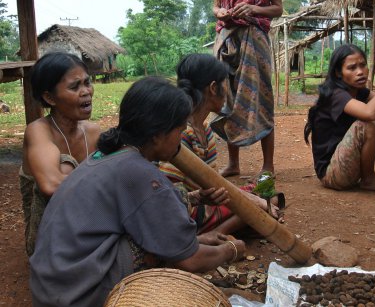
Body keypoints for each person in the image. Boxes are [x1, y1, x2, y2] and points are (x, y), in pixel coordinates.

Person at [29, 77, 246, 307]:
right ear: (156, 134)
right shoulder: (137, 171)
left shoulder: (108, 154)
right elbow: (190, 261)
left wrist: (195, 204)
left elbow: (143, 208)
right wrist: (231, 250)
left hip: (51, 286)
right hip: (78, 294)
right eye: (179, 130)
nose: (180, 140)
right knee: (155, 252)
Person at [160, 53, 281, 235]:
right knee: (264, 202)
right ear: (213, 88)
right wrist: (252, 201)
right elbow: (169, 195)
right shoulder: (181, 133)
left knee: (265, 193)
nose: (228, 92)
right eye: (225, 85)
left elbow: (214, 184)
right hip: (189, 213)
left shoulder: (205, 130)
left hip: (207, 204)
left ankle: (248, 217)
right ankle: (217, 233)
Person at [210, 0, 282, 177]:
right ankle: (234, 163)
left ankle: (268, 165)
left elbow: (277, 9)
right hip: (228, 40)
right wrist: (222, 13)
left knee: (262, 99)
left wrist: (253, 9)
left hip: (256, 43)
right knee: (227, 98)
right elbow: (216, 6)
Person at [304, 44, 375, 192]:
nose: (360, 72)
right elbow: (369, 113)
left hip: (349, 164)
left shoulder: (358, 90)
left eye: (363, 65)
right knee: (366, 125)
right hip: (333, 173)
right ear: (339, 73)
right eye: (352, 68)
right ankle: (369, 178)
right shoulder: (335, 94)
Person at [19, 52, 100, 256]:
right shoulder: (38, 131)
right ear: (49, 97)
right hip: (46, 239)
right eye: (75, 87)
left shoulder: (93, 131)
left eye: (87, 83)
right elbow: (51, 184)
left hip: (88, 226)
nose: (86, 92)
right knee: (66, 164)